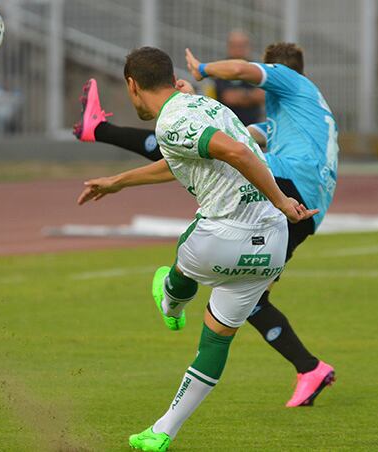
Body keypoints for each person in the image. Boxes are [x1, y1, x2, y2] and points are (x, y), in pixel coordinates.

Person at [76, 46, 317, 452]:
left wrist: (279, 198)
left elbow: (238, 152)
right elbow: (183, 161)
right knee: (216, 339)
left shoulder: (173, 121)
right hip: (270, 247)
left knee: (185, 258)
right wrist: (119, 180)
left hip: (224, 238)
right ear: (172, 79)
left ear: (133, 85)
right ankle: (162, 432)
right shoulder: (207, 108)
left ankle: (171, 302)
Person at [212, 30, 264, 125]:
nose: (239, 49)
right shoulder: (220, 68)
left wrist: (241, 95)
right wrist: (251, 96)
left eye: (242, 46)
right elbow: (229, 97)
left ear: (249, 47)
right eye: (235, 46)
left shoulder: (256, 68)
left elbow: (262, 95)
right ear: (229, 47)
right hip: (227, 126)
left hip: (252, 126)